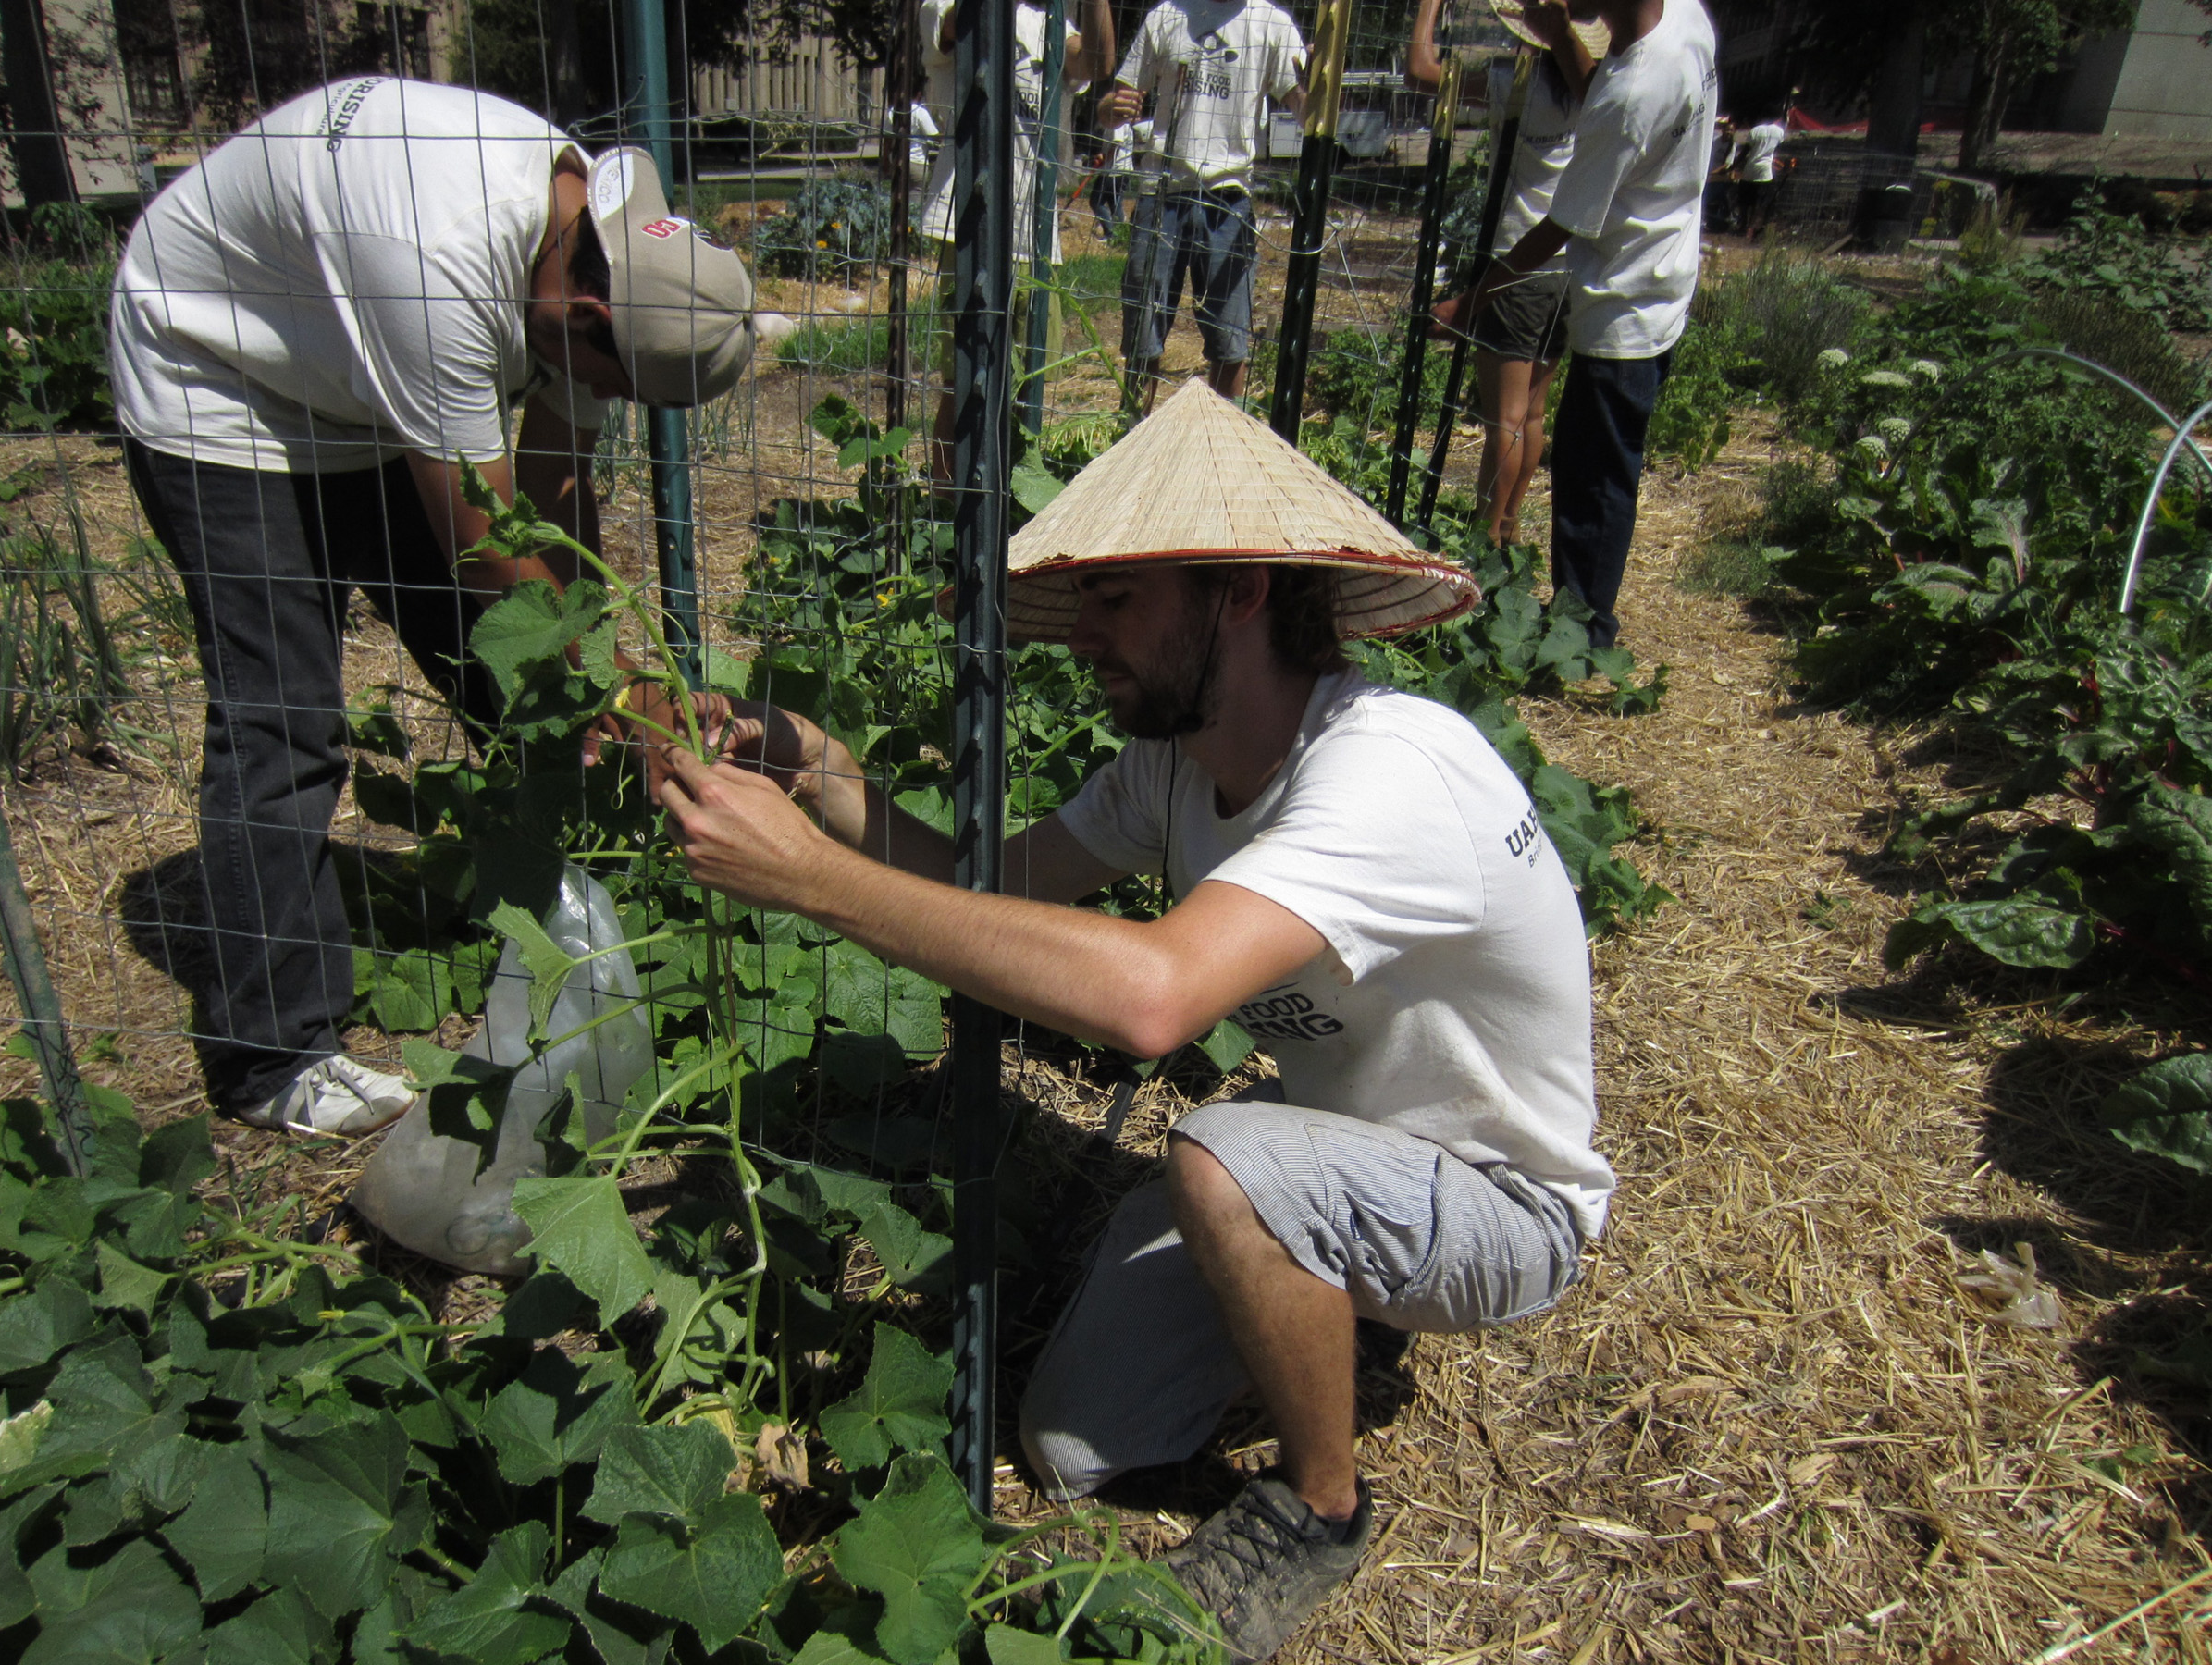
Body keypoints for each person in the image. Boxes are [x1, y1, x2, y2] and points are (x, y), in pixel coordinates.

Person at [661, 381, 1610, 1663]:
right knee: (1071, 1445)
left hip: (1504, 1206)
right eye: (1085, 599)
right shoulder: (1177, 766)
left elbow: (1153, 1001)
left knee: (1223, 1157)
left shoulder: (1388, 771)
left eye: (1120, 598)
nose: (1084, 637)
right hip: (1341, 1154)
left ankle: (1323, 1507)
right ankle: (1326, 1286)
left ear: (1240, 591)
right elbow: (988, 892)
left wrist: (811, 885)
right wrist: (824, 779)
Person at [110, 76, 752, 1135]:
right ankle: (271, 1055)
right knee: (286, 715)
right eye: (622, 383)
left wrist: (595, 664)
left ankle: (574, 902)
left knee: (506, 665)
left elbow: (553, 499)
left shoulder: (602, 242)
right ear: (585, 315)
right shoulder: (439, 262)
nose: (614, 400)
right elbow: (487, 539)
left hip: (351, 372)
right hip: (217, 373)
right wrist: (610, 676)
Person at [1430, 0, 1717, 648]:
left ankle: (1582, 634)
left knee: (1593, 481)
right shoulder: (1684, 23)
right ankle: (1567, 611)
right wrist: (1563, 37)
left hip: (1623, 303)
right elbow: (1604, 99)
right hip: (1658, 274)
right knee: (1575, 454)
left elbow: (1559, 226)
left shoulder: (1629, 93)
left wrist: (1469, 301)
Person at [1406, 0, 1597, 546]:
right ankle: (1509, 525)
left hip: (1515, 258)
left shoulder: (1512, 83)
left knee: (1504, 421)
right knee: (1533, 414)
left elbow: (1422, 72)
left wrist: (1428, 10)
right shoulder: (1592, 90)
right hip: (1567, 264)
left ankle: (1485, 539)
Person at [920, 0, 1113, 481]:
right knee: (961, 382)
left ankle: (1012, 504)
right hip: (967, 224)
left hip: (1034, 236)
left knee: (1028, 386)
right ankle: (947, 521)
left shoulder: (1050, 26)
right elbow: (950, 25)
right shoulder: (945, 5)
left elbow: (1097, 61)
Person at [1099, 0, 1306, 406]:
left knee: (1230, 344)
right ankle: (1134, 437)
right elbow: (1112, 105)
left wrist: (1316, 88)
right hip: (1162, 194)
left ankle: (1221, 448)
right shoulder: (1167, 15)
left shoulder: (1272, 23)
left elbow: (1305, 109)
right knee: (1143, 340)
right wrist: (1114, 108)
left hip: (1230, 200)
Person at [1735, 111, 1786, 237]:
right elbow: (1776, 149)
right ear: (1777, 119)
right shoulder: (1779, 132)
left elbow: (1746, 151)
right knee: (1758, 203)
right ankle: (1750, 228)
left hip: (1750, 169)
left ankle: (1742, 225)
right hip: (1764, 172)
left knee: (1744, 201)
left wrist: (1734, 165)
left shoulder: (1755, 131)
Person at [1705, 112, 1738, 234]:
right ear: (1722, 130)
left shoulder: (1732, 145)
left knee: (1722, 197)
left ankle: (1729, 217)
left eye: (1731, 130)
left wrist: (1714, 172)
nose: (1728, 132)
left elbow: (1727, 164)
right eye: (1727, 130)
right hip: (1711, 176)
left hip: (1721, 176)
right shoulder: (1715, 141)